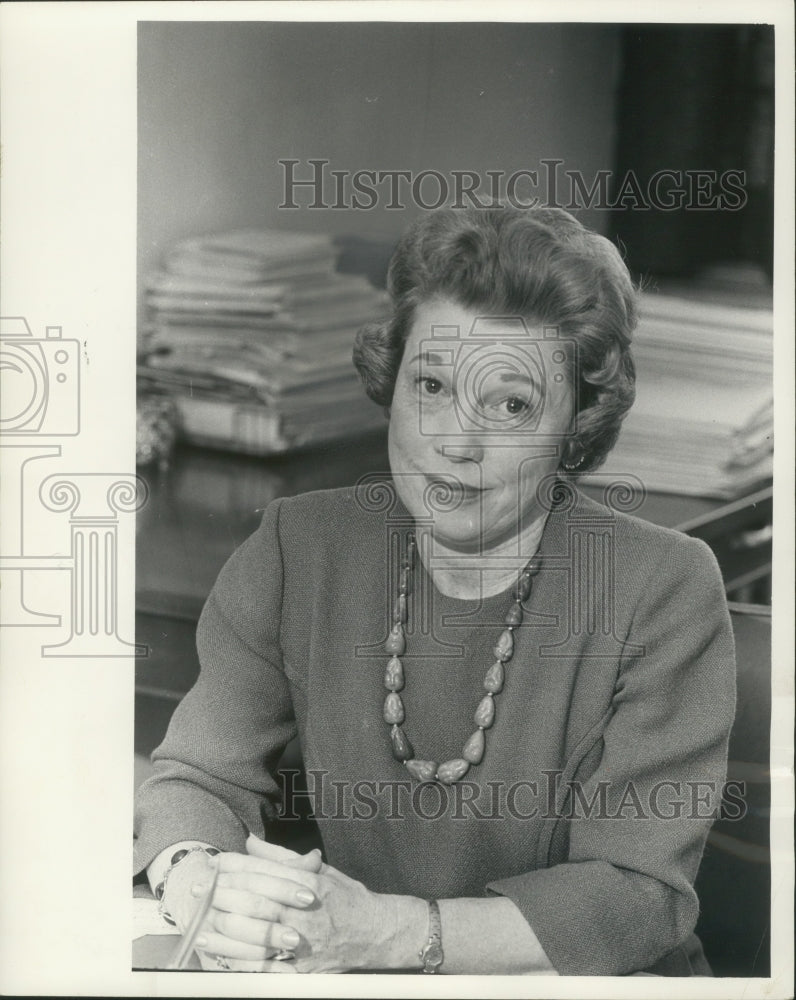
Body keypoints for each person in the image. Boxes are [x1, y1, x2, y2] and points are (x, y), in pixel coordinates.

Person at [133, 206, 736, 975]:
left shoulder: (663, 588)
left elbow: (635, 898)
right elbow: (198, 776)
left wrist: (385, 932)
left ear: (577, 425)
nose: (456, 439)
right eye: (432, 384)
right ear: (391, 381)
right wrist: (201, 884)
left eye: (511, 403)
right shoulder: (298, 547)